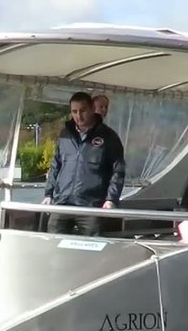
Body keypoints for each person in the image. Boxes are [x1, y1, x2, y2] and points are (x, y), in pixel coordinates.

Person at [42, 91, 126, 236]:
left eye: (83, 110)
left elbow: (117, 170)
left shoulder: (108, 136)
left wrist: (111, 199)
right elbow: (56, 165)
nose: (78, 116)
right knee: (53, 245)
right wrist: (48, 194)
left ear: (92, 109)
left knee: (91, 249)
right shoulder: (65, 135)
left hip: (91, 205)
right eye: (74, 111)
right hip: (62, 202)